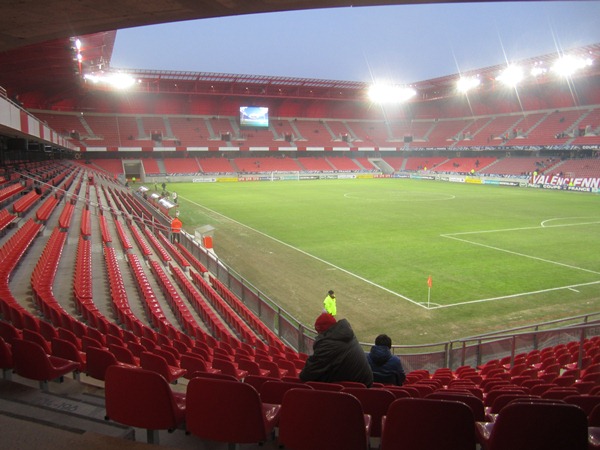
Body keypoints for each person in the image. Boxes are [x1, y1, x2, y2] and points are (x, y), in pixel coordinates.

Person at [300, 313, 373, 387]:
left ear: (323, 331)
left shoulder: (328, 345)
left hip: (355, 389)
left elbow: (306, 375)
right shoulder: (346, 334)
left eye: (319, 332)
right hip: (365, 385)